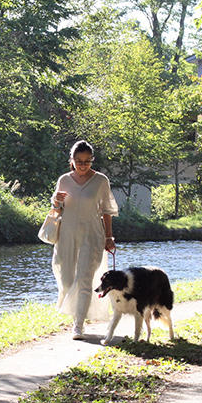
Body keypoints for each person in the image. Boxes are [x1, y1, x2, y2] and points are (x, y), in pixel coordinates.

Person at [50, 140, 119, 339]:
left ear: (92, 160)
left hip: (92, 234)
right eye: (79, 161)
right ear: (71, 160)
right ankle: (75, 317)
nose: (82, 165)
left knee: (85, 279)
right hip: (67, 234)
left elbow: (107, 211)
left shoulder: (100, 180)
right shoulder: (63, 180)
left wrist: (108, 236)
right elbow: (57, 209)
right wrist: (56, 201)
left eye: (87, 161)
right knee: (67, 279)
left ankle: (78, 325)